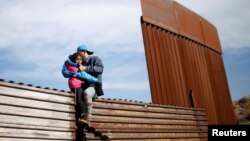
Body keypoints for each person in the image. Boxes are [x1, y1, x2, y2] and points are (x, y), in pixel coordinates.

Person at [62, 44, 104, 124]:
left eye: (79, 52)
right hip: (83, 86)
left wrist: (85, 68)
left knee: (86, 93)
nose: (78, 54)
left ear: (84, 52)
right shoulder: (79, 62)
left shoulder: (95, 59)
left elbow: (100, 69)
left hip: (94, 86)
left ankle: (87, 118)